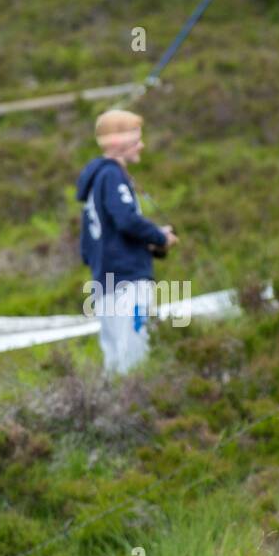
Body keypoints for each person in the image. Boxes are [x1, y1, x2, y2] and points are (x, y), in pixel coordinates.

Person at [76, 108, 178, 375]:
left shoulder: (96, 181)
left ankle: (117, 411)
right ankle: (136, 409)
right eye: (137, 138)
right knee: (134, 357)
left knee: (114, 361)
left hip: (104, 282)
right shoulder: (112, 176)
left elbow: (87, 246)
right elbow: (126, 219)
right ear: (117, 142)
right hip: (127, 282)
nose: (142, 144)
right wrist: (159, 237)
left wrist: (149, 245)